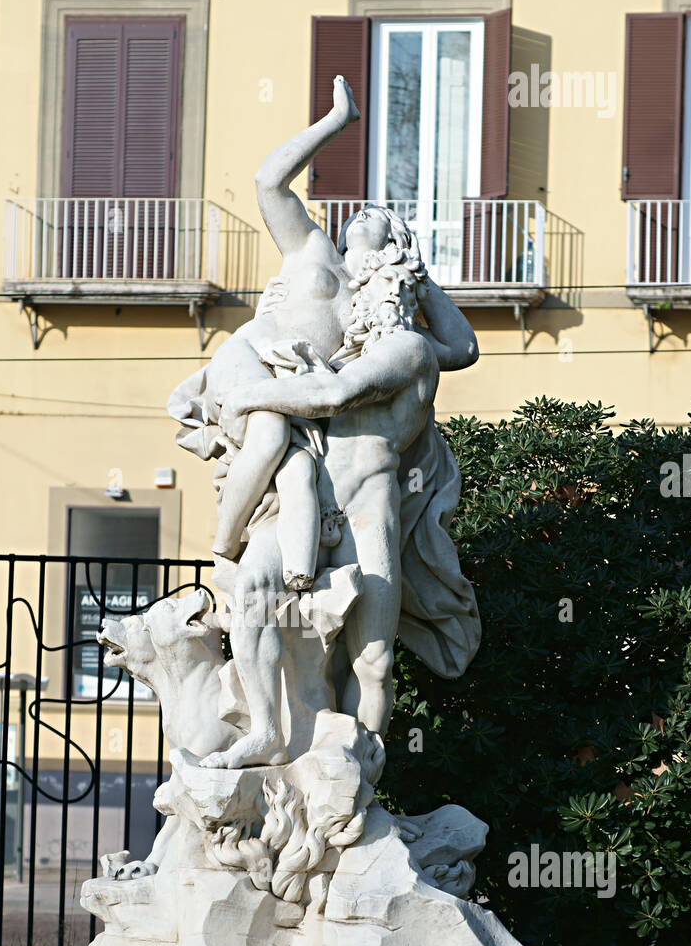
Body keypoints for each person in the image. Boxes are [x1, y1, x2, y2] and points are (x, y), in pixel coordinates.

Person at [201, 236, 481, 767]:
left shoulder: (410, 350)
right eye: (355, 286)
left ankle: (358, 773)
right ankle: (270, 733)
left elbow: (339, 395)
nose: (356, 296)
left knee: (371, 660)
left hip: (367, 513)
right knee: (267, 609)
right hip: (306, 507)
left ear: (397, 295)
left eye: (371, 285)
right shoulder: (339, 352)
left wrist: (245, 396)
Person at [169, 76, 404, 591]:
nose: (362, 212)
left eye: (377, 214)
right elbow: (268, 182)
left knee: (297, 472)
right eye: (359, 212)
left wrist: (422, 286)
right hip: (254, 356)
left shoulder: (382, 304)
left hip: (305, 396)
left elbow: (461, 349)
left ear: (396, 243)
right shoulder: (314, 248)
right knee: (270, 434)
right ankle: (224, 547)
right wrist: (336, 122)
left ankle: (300, 582)